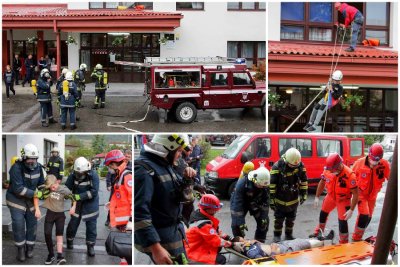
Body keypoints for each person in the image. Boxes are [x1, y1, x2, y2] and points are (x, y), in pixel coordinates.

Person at [134, 134, 195, 264]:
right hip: (162, 238)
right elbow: (139, 213)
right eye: (178, 151)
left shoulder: (164, 164)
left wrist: (186, 179)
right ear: (169, 148)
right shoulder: (143, 170)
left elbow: (176, 196)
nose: (180, 155)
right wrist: (155, 248)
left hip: (172, 233)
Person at [6, 144, 45, 262]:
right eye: (30, 159)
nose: (32, 161)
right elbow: (18, 189)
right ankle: (20, 250)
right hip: (16, 200)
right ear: (23, 157)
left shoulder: (38, 167)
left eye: (34, 159)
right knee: (18, 225)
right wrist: (35, 194)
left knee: (32, 224)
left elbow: (41, 184)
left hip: (30, 201)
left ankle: (30, 247)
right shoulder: (16, 168)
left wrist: (44, 191)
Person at [311, 153, 358, 244]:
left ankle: (343, 241)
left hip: (343, 200)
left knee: (342, 221)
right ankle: (319, 233)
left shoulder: (350, 175)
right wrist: (317, 196)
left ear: (339, 166)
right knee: (323, 213)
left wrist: (352, 209)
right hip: (331, 196)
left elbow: (356, 194)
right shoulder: (328, 170)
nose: (331, 172)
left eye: (333, 170)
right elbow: (322, 182)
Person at [185, 194, 245, 264]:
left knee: (218, 248)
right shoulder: (203, 224)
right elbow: (216, 241)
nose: (216, 211)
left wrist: (229, 238)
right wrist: (233, 244)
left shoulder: (201, 214)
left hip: (197, 246)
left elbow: (215, 232)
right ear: (207, 209)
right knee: (221, 260)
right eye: (214, 210)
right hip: (194, 252)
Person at [33, 175, 76, 265]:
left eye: (53, 186)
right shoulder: (46, 190)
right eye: (50, 187)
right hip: (50, 214)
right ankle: (51, 255)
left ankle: (60, 256)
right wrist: (37, 209)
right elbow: (36, 196)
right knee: (47, 233)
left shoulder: (64, 189)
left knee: (59, 234)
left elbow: (73, 198)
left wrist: (73, 207)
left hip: (60, 215)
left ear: (57, 182)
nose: (52, 189)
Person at [351, 143, 390, 241]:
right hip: (361, 195)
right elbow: (350, 177)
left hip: (373, 196)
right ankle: (356, 238)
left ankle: (359, 234)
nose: (374, 163)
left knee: (368, 217)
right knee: (364, 214)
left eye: (377, 160)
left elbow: (392, 179)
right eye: (372, 160)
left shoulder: (384, 165)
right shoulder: (359, 163)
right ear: (369, 155)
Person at [269, 148, 308, 242]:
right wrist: (271, 199)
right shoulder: (277, 167)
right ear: (286, 161)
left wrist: (304, 193)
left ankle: (288, 235)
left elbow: (304, 181)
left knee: (291, 219)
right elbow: (272, 185)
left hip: (293, 198)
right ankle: (277, 235)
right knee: (278, 219)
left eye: (296, 165)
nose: (294, 167)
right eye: (291, 165)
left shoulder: (300, 166)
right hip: (280, 199)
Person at [65, 157, 100, 257]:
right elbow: (67, 187)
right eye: (78, 173)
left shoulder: (94, 175)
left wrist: (80, 196)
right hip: (76, 203)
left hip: (91, 204)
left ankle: (90, 246)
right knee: (73, 223)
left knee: (91, 226)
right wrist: (67, 195)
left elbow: (94, 192)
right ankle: (69, 240)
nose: (79, 175)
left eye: (82, 173)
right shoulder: (73, 175)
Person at [105, 150, 133, 265]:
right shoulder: (119, 175)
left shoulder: (127, 175)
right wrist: (111, 204)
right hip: (121, 223)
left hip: (126, 223)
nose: (109, 168)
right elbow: (120, 196)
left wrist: (131, 220)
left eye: (109, 165)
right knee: (123, 251)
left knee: (127, 250)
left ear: (113, 163)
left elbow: (132, 198)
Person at [230, 165, 271, 243]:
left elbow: (265, 202)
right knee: (237, 225)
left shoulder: (264, 184)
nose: (262, 187)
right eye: (260, 185)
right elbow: (237, 205)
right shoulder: (242, 183)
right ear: (254, 179)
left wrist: (264, 216)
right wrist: (241, 222)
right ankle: (240, 242)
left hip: (255, 202)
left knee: (264, 222)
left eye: (263, 186)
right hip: (241, 202)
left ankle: (259, 241)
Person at [234, 230, 335, 259]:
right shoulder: (252, 252)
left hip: (281, 245)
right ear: (241, 245)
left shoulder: (251, 246)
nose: (246, 240)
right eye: (244, 240)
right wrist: (273, 249)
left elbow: (263, 247)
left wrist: (256, 241)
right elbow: (266, 263)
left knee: (300, 240)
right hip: (284, 250)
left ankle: (320, 239)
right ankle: (325, 241)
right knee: (303, 243)